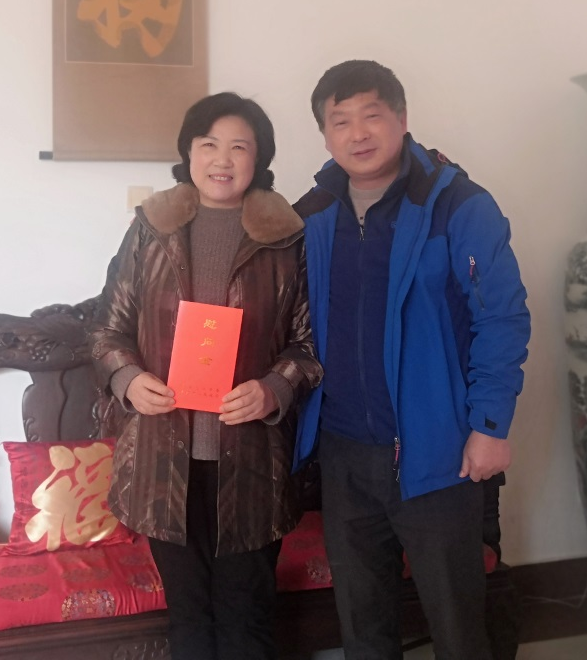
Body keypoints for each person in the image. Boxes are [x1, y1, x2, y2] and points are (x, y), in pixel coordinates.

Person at [293, 60, 531, 660]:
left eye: (372, 115)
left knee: (457, 628)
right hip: (344, 452)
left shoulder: (457, 205)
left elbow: (501, 319)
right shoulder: (313, 213)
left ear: (401, 119)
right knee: (363, 626)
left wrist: (490, 426)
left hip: (438, 451)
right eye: (340, 121)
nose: (358, 133)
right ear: (325, 135)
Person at [91, 91, 323, 660]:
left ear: (259, 158)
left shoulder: (287, 237)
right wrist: (127, 379)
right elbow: (107, 330)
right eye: (209, 144)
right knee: (190, 619)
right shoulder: (150, 229)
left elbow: (311, 342)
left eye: (239, 147)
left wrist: (274, 387)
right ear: (188, 153)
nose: (222, 159)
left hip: (251, 463)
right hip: (162, 462)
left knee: (248, 620)